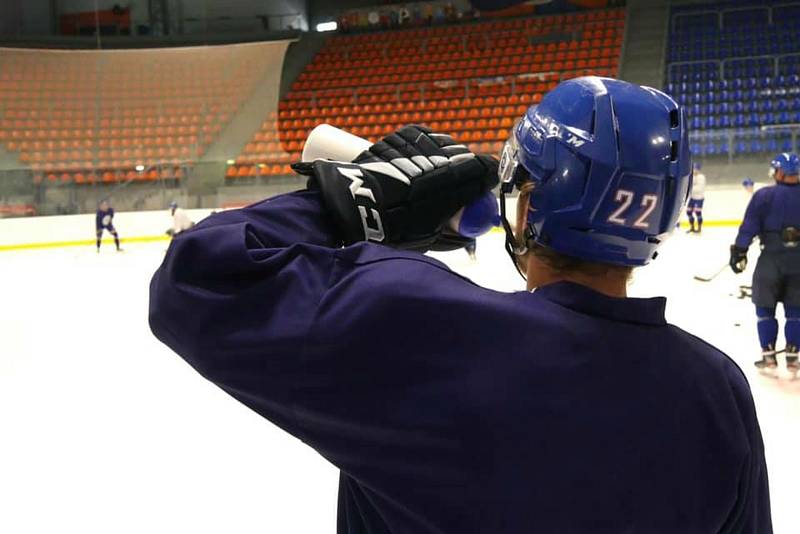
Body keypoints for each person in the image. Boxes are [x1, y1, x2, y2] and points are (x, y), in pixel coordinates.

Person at [149, 78, 771, 533]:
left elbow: (199, 275)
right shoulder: (715, 390)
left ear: (527, 206)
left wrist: (358, 200)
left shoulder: (418, 324)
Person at [730, 152, 800, 377]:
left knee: (764, 308)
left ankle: (768, 355)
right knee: (796, 311)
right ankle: (793, 355)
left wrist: (740, 251)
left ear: (779, 171)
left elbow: (749, 226)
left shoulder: (764, 196)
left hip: (770, 259)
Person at [685, 161, 706, 233]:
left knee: (698, 212)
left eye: (695, 169)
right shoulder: (692, 177)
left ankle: (699, 228)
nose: (694, 170)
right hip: (692, 198)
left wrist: (690, 189)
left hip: (699, 198)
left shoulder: (701, 177)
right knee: (689, 212)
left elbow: (699, 189)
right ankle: (692, 227)